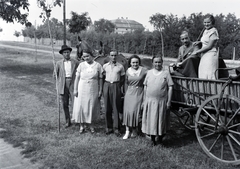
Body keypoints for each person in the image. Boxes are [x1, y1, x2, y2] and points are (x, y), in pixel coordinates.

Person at [142, 55, 173, 146]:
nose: (157, 64)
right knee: (151, 120)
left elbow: (170, 87)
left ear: (162, 63)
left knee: (160, 119)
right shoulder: (149, 72)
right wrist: (144, 100)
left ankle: (159, 139)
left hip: (161, 101)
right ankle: (152, 139)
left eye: (159, 62)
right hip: (150, 101)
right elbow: (145, 86)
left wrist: (169, 101)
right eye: (155, 62)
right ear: (152, 63)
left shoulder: (166, 73)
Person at [72, 48, 103, 134]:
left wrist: (100, 90)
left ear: (92, 55)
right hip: (82, 87)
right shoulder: (81, 65)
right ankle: (82, 125)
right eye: (84, 57)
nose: (86, 58)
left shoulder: (98, 65)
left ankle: (91, 124)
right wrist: (75, 89)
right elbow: (77, 78)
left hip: (93, 88)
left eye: (88, 56)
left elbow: (101, 78)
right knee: (81, 106)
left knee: (91, 105)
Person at [122, 55, 148, 139]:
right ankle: (127, 131)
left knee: (135, 111)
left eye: (136, 62)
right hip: (129, 93)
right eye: (133, 62)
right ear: (130, 63)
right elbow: (126, 82)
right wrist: (125, 92)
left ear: (139, 63)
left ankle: (135, 130)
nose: (135, 64)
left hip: (139, 92)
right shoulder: (128, 71)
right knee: (128, 112)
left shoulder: (144, 70)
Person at [103, 49, 125, 137]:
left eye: (115, 55)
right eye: (112, 55)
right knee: (107, 107)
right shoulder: (105, 66)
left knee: (116, 107)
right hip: (107, 84)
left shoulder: (120, 66)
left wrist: (118, 86)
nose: (113, 57)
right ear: (109, 56)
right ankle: (108, 127)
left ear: (117, 56)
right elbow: (102, 76)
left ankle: (117, 128)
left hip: (116, 85)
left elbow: (123, 78)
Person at [56, 45, 79, 128]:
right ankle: (67, 121)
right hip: (63, 84)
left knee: (75, 103)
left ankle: (76, 119)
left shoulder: (75, 62)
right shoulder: (58, 63)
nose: (66, 54)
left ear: (70, 52)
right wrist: (58, 85)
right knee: (65, 103)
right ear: (62, 54)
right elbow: (55, 75)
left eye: (68, 52)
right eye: (64, 52)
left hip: (73, 83)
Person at [192, 14, 219, 79]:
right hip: (204, 55)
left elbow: (209, 46)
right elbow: (205, 42)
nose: (206, 24)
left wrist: (197, 52)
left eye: (208, 22)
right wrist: (199, 42)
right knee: (203, 73)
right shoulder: (205, 31)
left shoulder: (213, 31)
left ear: (212, 22)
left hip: (210, 55)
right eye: (205, 22)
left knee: (209, 73)